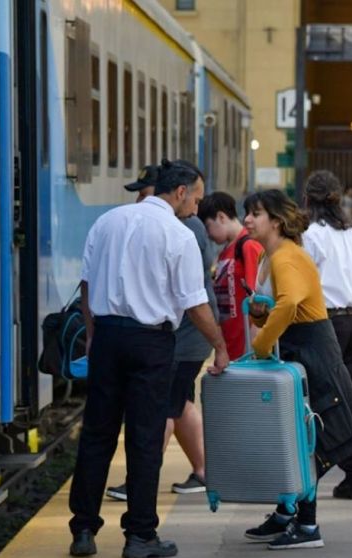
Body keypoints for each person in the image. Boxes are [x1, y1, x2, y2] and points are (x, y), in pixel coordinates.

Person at [69, 160, 229, 558]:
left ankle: (84, 530)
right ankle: (140, 537)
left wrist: (91, 333)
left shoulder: (108, 222)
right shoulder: (178, 234)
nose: (198, 205)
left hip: (107, 337)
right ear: (179, 192)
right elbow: (195, 303)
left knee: (96, 435)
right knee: (144, 439)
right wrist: (221, 346)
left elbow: (86, 284)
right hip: (151, 343)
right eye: (196, 196)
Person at [228, 189, 352, 550]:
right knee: (297, 439)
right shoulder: (274, 256)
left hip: (312, 354)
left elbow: (290, 303)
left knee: (308, 442)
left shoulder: (285, 257)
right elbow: (280, 302)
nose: (247, 220)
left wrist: (259, 345)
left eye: (255, 213)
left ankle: (306, 525)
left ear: (275, 220)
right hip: (304, 350)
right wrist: (260, 313)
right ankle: (288, 513)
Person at [104, 166, 216, 502]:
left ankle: (140, 481)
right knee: (179, 404)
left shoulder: (186, 227)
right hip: (182, 335)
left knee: (163, 408)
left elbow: (189, 295)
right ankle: (204, 471)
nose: (140, 199)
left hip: (183, 335)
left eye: (144, 192)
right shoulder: (173, 224)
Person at [301, 170, 352, 501]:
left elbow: (303, 281)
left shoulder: (311, 236)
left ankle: (335, 472)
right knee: (347, 394)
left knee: (326, 400)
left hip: (324, 322)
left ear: (307, 200)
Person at [198, 192, 265, 360]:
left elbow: (257, 298)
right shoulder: (226, 251)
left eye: (208, 226)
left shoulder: (248, 246)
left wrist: (254, 345)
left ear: (221, 217)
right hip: (231, 342)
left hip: (246, 344)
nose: (208, 235)